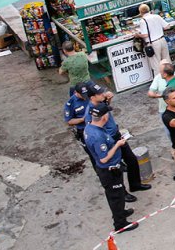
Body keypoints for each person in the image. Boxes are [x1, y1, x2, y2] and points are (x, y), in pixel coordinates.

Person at [81, 82, 151, 194]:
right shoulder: (91, 111)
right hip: (108, 140)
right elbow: (95, 127)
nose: (102, 94)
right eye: (99, 94)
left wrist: (108, 101)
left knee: (131, 160)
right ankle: (123, 193)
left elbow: (107, 109)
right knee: (115, 167)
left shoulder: (101, 103)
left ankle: (135, 185)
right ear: (92, 97)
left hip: (116, 135)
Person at [84, 105, 139, 233]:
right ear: (104, 117)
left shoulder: (90, 127)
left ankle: (121, 213)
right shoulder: (97, 136)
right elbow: (104, 158)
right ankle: (120, 224)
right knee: (116, 197)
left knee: (118, 195)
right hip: (109, 170)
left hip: (111, 169)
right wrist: (117, 145)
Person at [64, 86, 95, 165]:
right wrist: (82, 119)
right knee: (93, 154)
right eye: (82, 95)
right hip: (84, 130)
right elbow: (69, 121)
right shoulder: (70, 104)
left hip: (96, 125)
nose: (85, 98)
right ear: (76, 93)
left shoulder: (89, 95)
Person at [137, 3, 172, 73]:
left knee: (157, 65)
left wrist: (137, 35)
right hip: (162, 40)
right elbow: (167, 26)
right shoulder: (157, 16)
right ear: (149, 10)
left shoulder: (142, 21)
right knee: (167, 61)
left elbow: (145, 35)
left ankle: (160, 82)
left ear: (140, 12)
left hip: (153, 43)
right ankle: (171, 77)